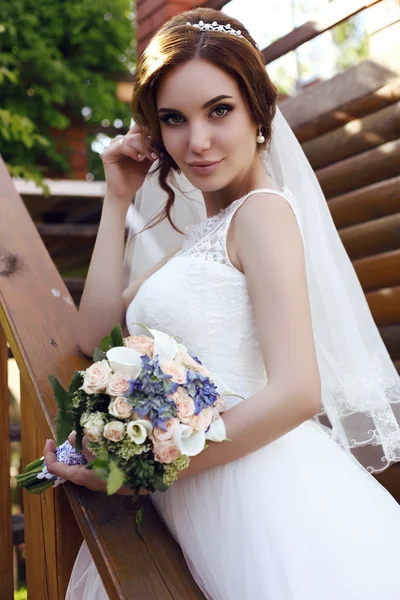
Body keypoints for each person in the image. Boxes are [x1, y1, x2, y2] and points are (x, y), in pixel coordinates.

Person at [43, 7, 400, 599]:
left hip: (261, 498)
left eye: (219, 111)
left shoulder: (263, 214)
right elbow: (94, 334)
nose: (197, 142)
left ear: (259, 112)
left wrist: (142, 472)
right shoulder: (196, 240)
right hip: (201, 495)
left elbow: (297, 392)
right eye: (174, 120)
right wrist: (116, 200)